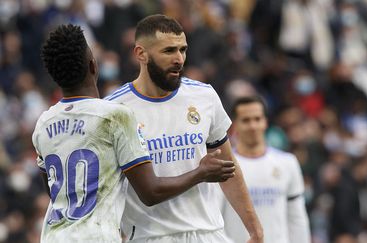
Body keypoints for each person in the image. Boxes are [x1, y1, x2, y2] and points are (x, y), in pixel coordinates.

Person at [33, 24, 236, 242]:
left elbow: (54, 191)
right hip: (97, 236)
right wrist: (201, 172)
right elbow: (150, 191)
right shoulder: (115, 115)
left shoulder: (44, 123)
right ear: (93, 66)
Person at [105, 14, 263, 242]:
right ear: (141, 54)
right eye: (169, 51)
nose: (179, 59)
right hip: (151, 237)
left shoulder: (204, 96)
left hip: (208, 234)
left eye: (183, 50)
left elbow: (228, 170)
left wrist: (255, 229)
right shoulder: (114, 109)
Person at [219, 96, 311, 243]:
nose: (253, 126)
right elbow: (216, 219)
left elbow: (297, 217)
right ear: (234, 125)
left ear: (265, 122)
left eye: (257, 119)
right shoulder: (224, 166)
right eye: (246, 120)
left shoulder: (288, 163)